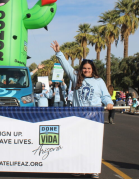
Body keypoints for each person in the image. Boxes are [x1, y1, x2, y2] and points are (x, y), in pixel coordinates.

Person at [51, 40, 113, 179]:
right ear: (81, 69)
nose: (86, 70)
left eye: (89, 68)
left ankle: (94, 169)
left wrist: (109, 103)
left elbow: (105, 95)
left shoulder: (99, 81)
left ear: (93, 69)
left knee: (94, 144)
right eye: (84, 68)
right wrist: (58, 53)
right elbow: (66, 66)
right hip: (79, 116)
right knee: (78, 142)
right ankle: (79, 167)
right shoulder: (76, 77)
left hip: (94, 117)